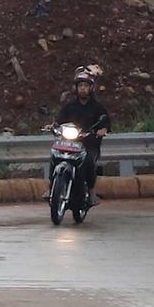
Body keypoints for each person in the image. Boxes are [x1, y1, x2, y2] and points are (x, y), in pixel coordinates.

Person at [51, 66, 110, 205]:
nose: (83, 88)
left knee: (89, 161)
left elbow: (105, 120)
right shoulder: (70, 106)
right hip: (69, 142)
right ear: (75, 88)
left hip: (89, 144)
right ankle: (51, 186)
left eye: (85, 86)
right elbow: (59, 120)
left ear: (91, 88)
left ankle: (91, 192)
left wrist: (103, 129)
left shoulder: (97, 107)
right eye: (80, 85)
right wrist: (53, 125)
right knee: (54, 155)